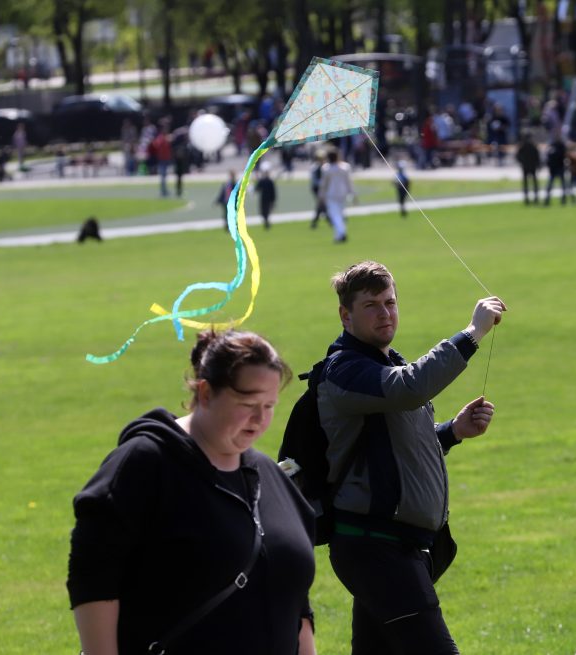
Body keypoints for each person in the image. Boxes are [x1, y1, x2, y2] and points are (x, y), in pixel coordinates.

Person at [67, 330, 317, 655]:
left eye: (269, 405)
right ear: (206, 393)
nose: (260, 419)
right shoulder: (146, 462)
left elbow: (295, 598)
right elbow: (94, 572)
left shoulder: (272, 478)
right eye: (247, 403)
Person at [320, 261, 506, 655]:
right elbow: (411, 387)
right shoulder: (345, 369)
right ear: (345, 315)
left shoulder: (385, 364)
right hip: (374, 548)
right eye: (371, 305)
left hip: (395, 546)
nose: (385, 312)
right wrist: (472, 333)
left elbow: (393, 453)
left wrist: (453, 431)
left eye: (390, 302)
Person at [318, 149, 354, 243]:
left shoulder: (326, 168)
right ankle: (339, 235)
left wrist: (321, 196)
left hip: (332, 194)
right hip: (342, 193)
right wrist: (352, 194)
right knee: (339, 215)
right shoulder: (345, 167)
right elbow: (349, 182)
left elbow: (323, 184)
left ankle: (341, 233)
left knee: (335, 215)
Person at [516, 131, 541, 205]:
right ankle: (528, 198)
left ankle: (533, 198)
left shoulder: (528, 146)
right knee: (529, 183)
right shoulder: (524, 146)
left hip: (530, 166)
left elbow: (537, 156)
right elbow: (518, 156)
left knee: (531, 183)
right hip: (528, 166)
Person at [544, 137, 568, 206]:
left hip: (558, 168)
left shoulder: (558, 147)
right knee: (552, 186)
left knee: (559, 186)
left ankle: (562, 199)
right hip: (555, 169)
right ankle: (548, 200)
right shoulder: (554, 147)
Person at [309, 149, 328, 229]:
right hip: (317, 188)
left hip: (322, 188)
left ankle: (315, 222)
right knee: (322, 205)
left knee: (321, 205)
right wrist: (322, 183)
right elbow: (315, 181)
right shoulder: (315, 168)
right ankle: (329, 220)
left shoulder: (325, 167)